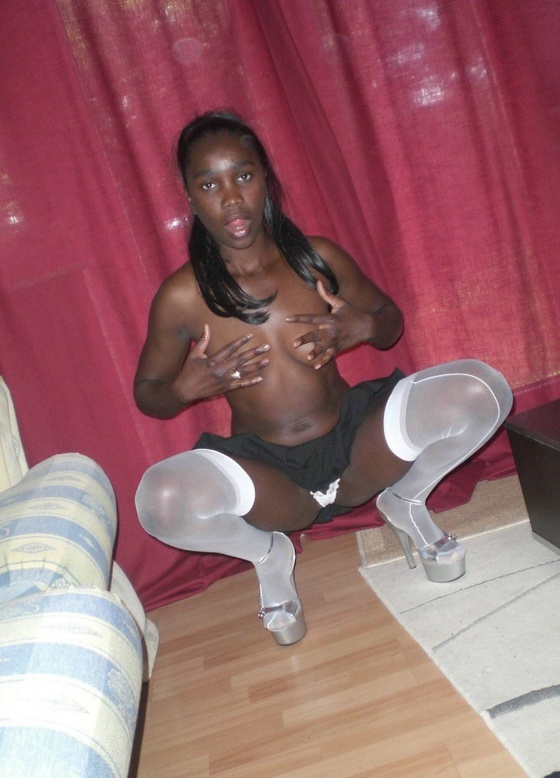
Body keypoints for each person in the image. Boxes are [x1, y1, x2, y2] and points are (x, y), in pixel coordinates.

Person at [134, 109, 513, 646]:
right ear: (191, 198)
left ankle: (405, 501)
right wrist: (182, 390)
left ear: (266, 179)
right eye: (210, 184)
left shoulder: (316, 259)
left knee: (483, 389)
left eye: (244, 175)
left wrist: (363, 327)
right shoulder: (181, 296)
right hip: (272, 478)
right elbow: (147, 393)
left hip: (357, 445)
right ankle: (270, 556)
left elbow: (389, 321)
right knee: (160, 500)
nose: (232, 198)